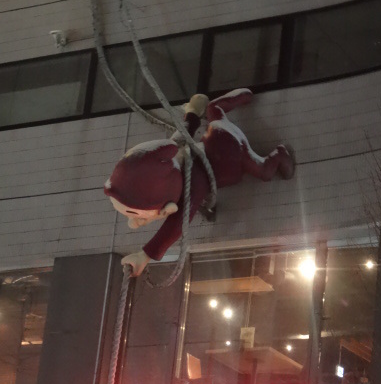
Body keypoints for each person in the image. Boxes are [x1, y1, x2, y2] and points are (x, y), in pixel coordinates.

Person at [104, 90, 294, 276]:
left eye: (137, 215)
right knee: (214, 111)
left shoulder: (194, 180)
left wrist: (145, 255)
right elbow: (185, 130)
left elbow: (178, 223)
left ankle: (280, 154)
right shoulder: (178, 159)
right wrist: (193, 111)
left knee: (264, 171)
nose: (134, 223)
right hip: (216, 134)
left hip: (232, 152)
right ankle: (219, 105)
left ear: (167, 207)